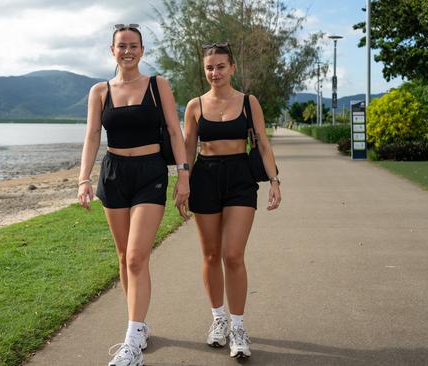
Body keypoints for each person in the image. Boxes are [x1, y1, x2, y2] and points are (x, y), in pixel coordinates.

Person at [77, 23, 190, 366]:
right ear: (112, 51)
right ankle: (138, 327)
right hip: (113, 175)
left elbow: (174, 130)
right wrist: (83, 180)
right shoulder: (99, 91)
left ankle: (131, 342)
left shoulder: (158, 86)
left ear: (142, 50)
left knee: (137, 256)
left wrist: (183, 176)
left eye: (133, 46)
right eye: (121, 46)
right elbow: (93, 136)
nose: (127, 51)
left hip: (150, 173)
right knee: (124, 254)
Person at [183, 42, 281, 359]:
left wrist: (274, 181)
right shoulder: (194, 105)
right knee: (211, 255)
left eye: (221, 66)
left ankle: (238, 327)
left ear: (232, 68)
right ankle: (219, 320)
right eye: (210, 67)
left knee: (234, 255)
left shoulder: (249, 102)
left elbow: (263, 145)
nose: (215, 72)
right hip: (205, 178)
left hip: (240, 177)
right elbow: (187, 147)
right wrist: (182, 180)